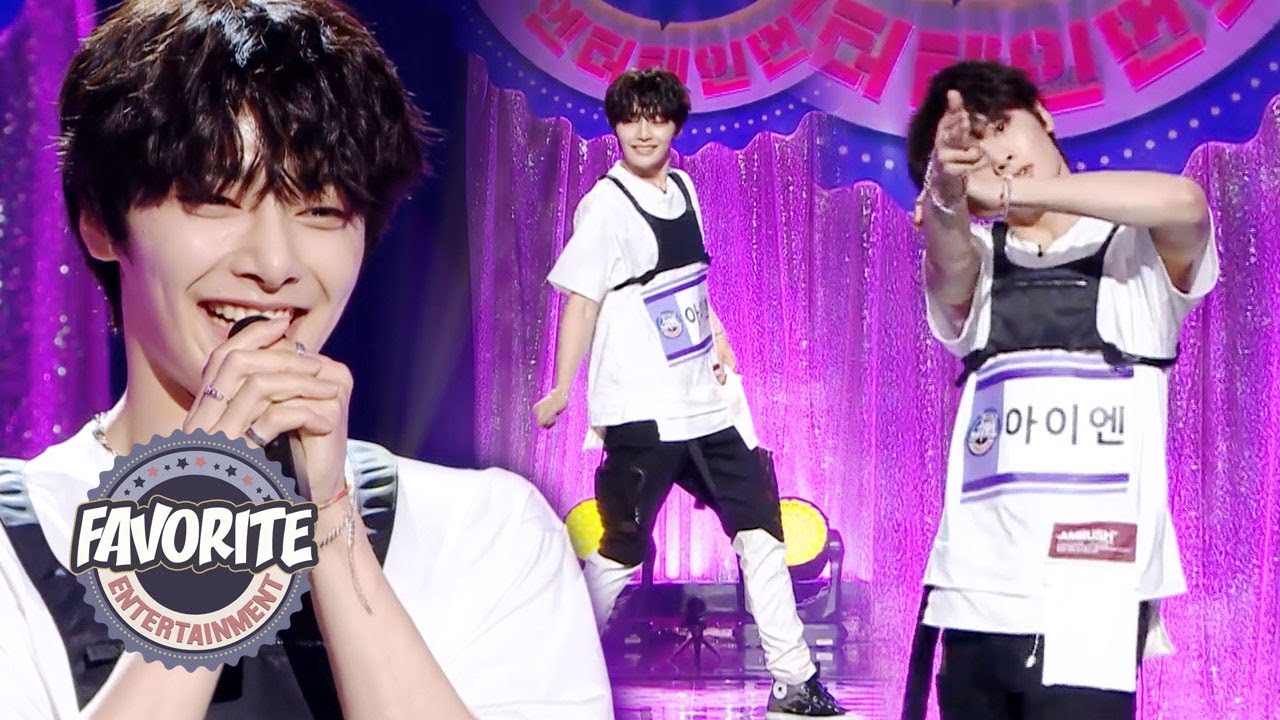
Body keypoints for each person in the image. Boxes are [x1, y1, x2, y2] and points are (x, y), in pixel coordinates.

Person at [0, 1, 612, 718]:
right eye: (215, 200)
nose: (274, 264)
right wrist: (209, 506)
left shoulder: (486, 531)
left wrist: (330, 522)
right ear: (101, 223)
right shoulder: (19, 537)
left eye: (320, 209)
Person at [901, 60, 1218, 720]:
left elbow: (1186, 204)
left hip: (1093, 596)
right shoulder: (980, 259)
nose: (995, 156)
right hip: (975, 594)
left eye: (999, 127)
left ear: (1043, 114)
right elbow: (948, 264)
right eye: (972, 150)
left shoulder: (1136, 252)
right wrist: (947, 194)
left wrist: (1014, 193)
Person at [532, 68, 846, 719]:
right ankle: (550, 672)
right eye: (630, 119)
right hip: (643, 409)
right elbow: (582, 302)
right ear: (616, 126)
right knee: (621, 549)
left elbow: (689, 285)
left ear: (675, 124)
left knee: (761, 529)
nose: (643, 131)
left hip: (705, 404)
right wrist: (561, 386)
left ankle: (793, 680)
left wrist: (720, 337)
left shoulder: (685, 189)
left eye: (656, 118)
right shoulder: (606, 205)